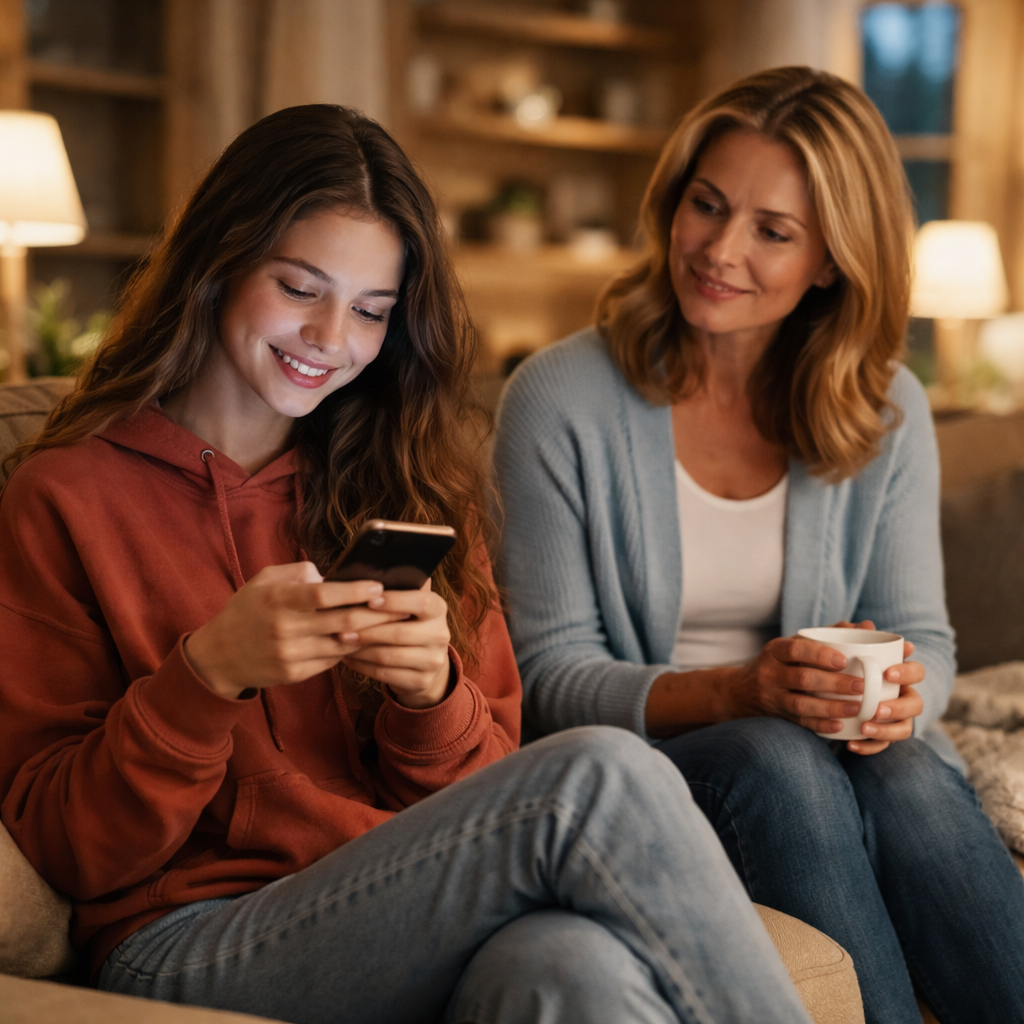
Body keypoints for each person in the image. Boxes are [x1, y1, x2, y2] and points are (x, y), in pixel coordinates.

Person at [0, 104, 814, 1024]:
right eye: (299, 287)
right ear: (218, 263)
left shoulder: (412, 485)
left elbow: (484, 787)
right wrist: (206, 676)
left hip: (387, 904)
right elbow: (65, 848)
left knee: (568, 963)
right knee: (603, 773)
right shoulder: (65, 496)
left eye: (371, 311)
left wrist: (431, 701)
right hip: (180, 939)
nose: (329, 336)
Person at [494, 67, 1024, 1024]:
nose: (719, 249)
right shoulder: (559, 398)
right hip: (650, 770)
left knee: (906, 765)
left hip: (826, 759)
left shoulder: (888, 408)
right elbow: (546, 676)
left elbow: (928, 643)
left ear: (829, 261)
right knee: (778, 757)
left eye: (772, 231)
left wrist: (900, 702)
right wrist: (744, 691)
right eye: (707, 204)